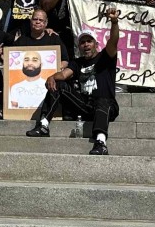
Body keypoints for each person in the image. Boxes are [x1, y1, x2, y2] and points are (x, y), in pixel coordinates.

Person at [25, 8, 122, 156]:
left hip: (106, 106)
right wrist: (52, 77)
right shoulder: (77, 63)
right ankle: (43, 125)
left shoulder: (105, 57)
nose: (86, 45)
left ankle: (101, 142)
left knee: (103, 101)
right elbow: (64, 75)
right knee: (59, 84)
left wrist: (114, 22)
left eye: (89, 41)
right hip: (85, 106)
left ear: (96, 44)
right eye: (82, 42)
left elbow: (113, 41)